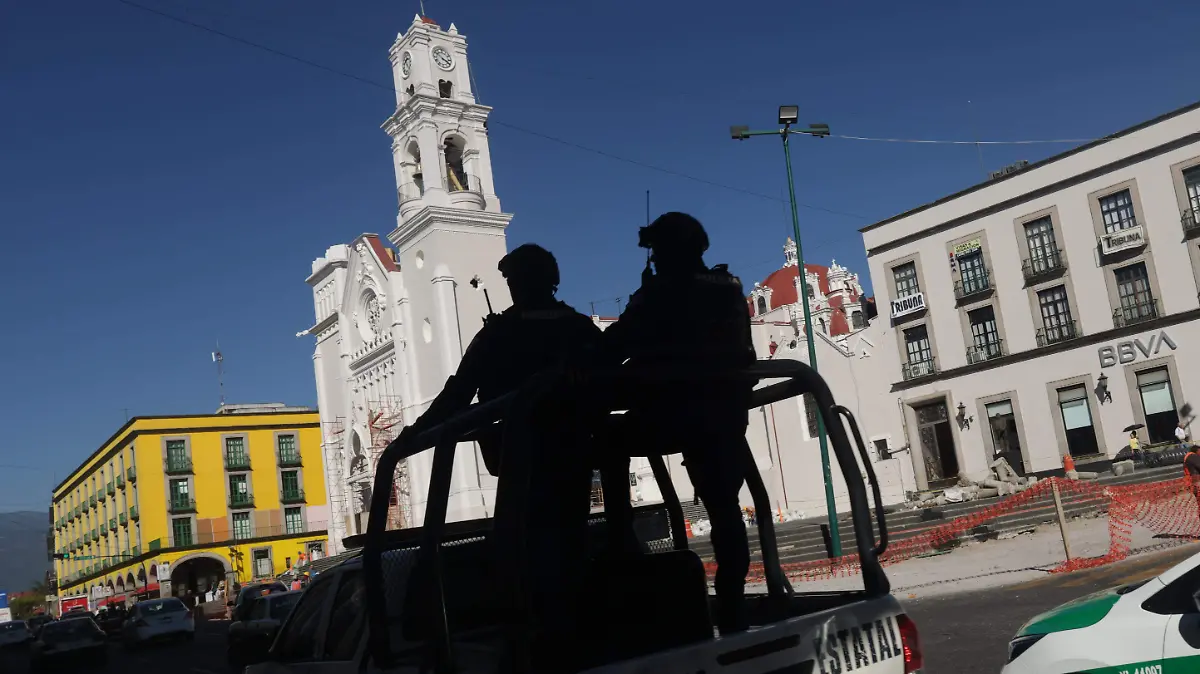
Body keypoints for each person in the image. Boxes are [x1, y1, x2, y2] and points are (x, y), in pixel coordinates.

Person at [595, 212, 756, 633]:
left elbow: (612, 348)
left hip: (672, 414)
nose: (655, 259)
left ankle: (622, 543)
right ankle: (733, 604)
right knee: (725, 512)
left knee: (609, 439)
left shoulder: (659, 293)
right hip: (725, 417)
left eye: (657, 252)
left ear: (667, 252)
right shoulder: (729, 287)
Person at [400, 243, 602, 475]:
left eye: (513, 280)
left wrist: (415, 432)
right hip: (577, 447)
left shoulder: (497, 334)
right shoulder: (581, 328)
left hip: (518, 453)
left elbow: (457, 394)